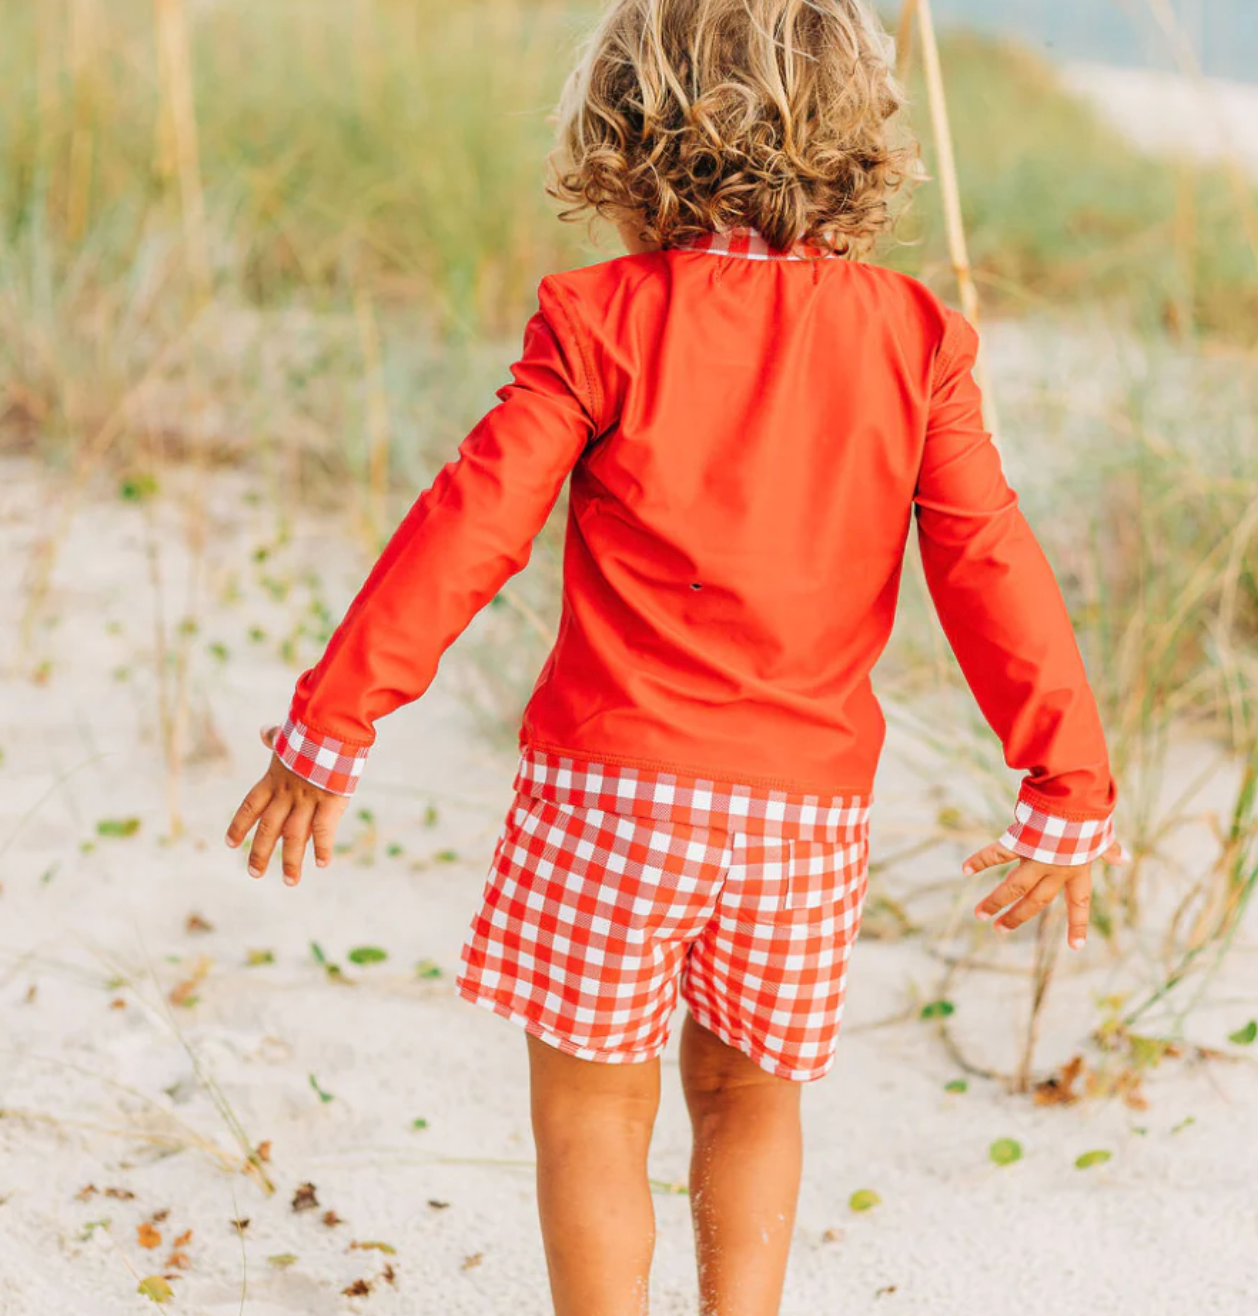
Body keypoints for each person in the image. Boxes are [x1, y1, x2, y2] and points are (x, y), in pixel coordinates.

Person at [226, 2, 1124, 1311]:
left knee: (593, 1114)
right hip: (801, 817)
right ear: (858, 140)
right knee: (750, 1098)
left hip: (611, 801)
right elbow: (988, 560)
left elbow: (470, 522)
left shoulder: (599, 320)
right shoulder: (914, 337)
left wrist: (332, 722)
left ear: (625, 137)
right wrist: (1065, 785)